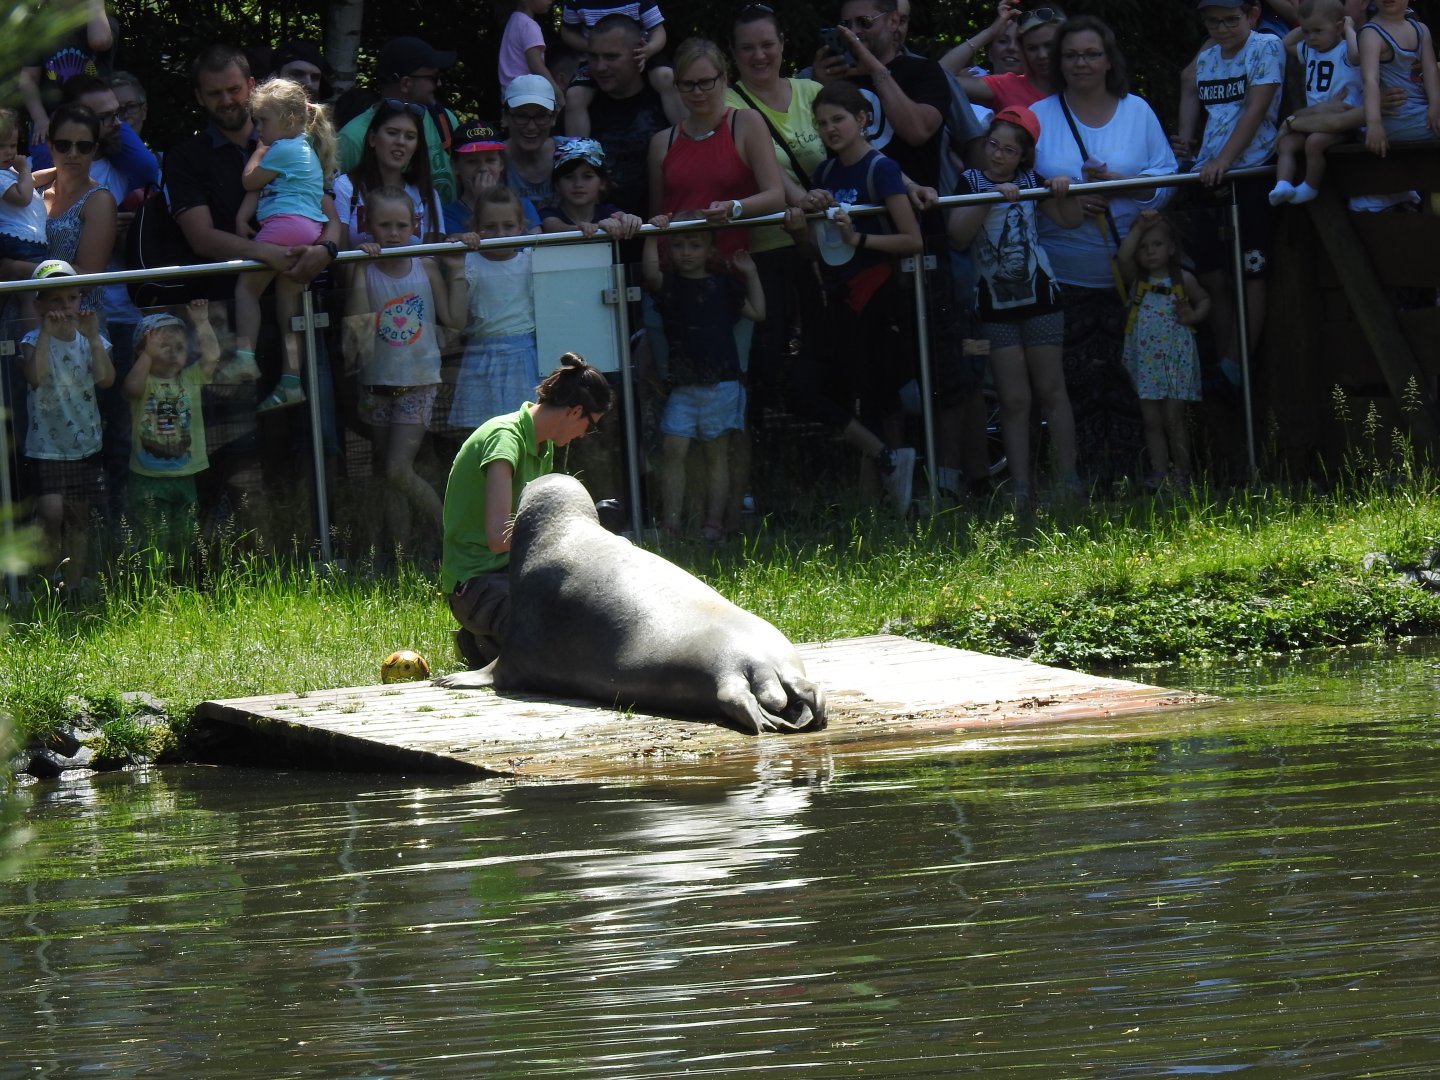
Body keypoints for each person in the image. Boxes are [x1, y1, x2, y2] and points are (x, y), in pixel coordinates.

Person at [1031, 15, 1177, 486]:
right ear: (1059, 62)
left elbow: (1166, 181)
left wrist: (1120, 186)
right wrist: (1068, 197)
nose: (1082, 63)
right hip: (1061, 272)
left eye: (1091, 53)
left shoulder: (1138, 111)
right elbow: (1020, 183)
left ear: (1109, 59)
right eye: (1071, 55)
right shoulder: (1040, 115)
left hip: (1132, 271)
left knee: (1134, 380)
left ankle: (1142, 475)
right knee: (1072, 384)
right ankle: (1083, 481)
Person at [781, 80, 924, 513]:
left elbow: (911, 239)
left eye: (838, 119)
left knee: (880, 399)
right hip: (836, 300)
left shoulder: (880, 168)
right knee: (805, 390)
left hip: (877, 298)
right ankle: (884, 462)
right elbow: (819, 253)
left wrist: (859, 239)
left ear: (863, 120)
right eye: (822, 122)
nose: (830, 129)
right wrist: (800, 230)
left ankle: (885, 506)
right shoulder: (824, 174)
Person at [441, 352, 615, 668]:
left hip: (514, 575)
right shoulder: (504, 438)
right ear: (575, 411)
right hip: (476, 584)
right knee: (556, 638)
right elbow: (498, 537)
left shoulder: (542, 444)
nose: (583, 435)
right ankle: (482, 641)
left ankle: (487, 642)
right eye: (589, 426)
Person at [947, 106, 1083, 505]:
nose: (997, 155)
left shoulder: (1031, 181)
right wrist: (988, 199)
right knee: (1014, 398)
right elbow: (957, 236)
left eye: (1008, 150)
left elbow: (1071, 219)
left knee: (1051, 389)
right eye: (993, 145)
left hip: (1041, 299)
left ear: (1023, 155)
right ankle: (1022, 487)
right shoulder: (969, 181)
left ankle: (1068, 479)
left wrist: (1063, 187)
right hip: (993, 306)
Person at [343, 185, 468, 548]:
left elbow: (454, 320)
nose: (395, 234)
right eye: (385, 226)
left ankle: (452, 538)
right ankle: (400, 556)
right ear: (368, 224)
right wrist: (358, 270)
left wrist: (457, 271)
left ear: (416, 223)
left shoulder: (426, 264)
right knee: (389, 473)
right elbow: (359, 330)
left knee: (398, 468)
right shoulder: (364, 268)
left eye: (402, 225)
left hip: (418, 380)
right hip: (375, 381)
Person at [1172, 0, 1283, 397]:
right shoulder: (1209, 54)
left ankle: (1240, 359)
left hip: (1249, 169)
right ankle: (1224, 361)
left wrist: (1225, 159)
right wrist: (1186, 142)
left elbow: (1257, 107)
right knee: (1212, 273)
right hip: (1207, 170)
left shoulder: (1265, 46)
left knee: (1252, 268)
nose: (1221, 29)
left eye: (1230, 20)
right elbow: (1188, 82)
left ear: (1251, 15)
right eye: (1212, 21)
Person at [642, 222, 764, 540]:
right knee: (673, 448)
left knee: (716, 454)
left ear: (710, 250)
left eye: (695, 245)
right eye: (679, 245)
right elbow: (651, 273)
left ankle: (713, 522)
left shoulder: (724, 285)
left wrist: (749, 273)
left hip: (722, 383)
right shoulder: (669, 284)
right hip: (682, 385)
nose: (686, 252)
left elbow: (759, 313)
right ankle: (672, 524)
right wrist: (651, 234)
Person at [232, 77, 337, 412]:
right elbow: (260, 191)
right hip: (307, 230)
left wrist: (258, 151)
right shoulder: (305, 149)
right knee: (288, 310)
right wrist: (242, 218)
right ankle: (291, 381)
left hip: (283, 227)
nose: (256, 127)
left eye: (262, 120)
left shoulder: (280, 148)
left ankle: (244, 357)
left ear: (289, 121)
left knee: (246, 290)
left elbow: (249, 180)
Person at [20, 259, 114, 590]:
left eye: (72, 298)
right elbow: (35, 377)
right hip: (46, 445)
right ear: (39, 305)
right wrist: (46, 334)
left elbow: (106, 380)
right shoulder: (32, 339)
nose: (66, 307)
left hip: (84, 445)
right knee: (51, 513)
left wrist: (92, 339)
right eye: (56, 301)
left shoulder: (93, 338)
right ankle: (47, 580)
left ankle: (73, 584)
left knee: (78, 519)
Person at [1116, 210, 1211, 488]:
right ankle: (1159, 472)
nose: (1150, 252)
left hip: (1175, 357)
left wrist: (1193, 315)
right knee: (1151, 419)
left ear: (1171, 248)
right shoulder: (1137, 278)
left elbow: (1205, 300)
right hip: (1146, 360)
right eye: (1144, 247)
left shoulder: (1183, 280)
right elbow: (1122, 258)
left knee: (1173, 417)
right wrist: (1140, 227)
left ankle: (1182, 472)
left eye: (1156, 245)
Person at [122, 304, 222, 559]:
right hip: (147, 477)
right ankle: (153, 588)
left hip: (185, 475)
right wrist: (147, 354)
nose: (172, 354)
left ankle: (181, 584)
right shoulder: (142, 382)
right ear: (141, 352)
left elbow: (211, 357)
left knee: (185, 536)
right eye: (162, 347)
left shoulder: (190, 378)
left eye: (179, 347)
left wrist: (201, 322)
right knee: (153, 538)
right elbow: (131, 389)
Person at [449, 187, 540, 429]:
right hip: (480, 356)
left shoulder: (531, 260)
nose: (500, 234)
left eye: (508, 225)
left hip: (523, 357)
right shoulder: (468, 262)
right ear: (475, 227)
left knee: (525, 430)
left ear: (521, 226)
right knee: (483, 432)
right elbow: (456, 319)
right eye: (490, 227)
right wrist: (457, 249)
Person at [569, 14, 671, 218]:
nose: (599, 67)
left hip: (663, 229)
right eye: (593, 57)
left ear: (640, 51)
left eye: (611, 57)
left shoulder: (665, 97)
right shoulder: (581, 106)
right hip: (600, 233)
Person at [336, 37, 459, 203]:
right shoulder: (352, 138)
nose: (439, 83)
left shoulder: (444, 120)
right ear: (406, 84)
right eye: (433, 77)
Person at [1270, 0, 1362, 205]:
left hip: (1343, 119)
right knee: (1286, 143)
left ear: (1337, 28)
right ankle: (1282, 184)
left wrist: (1349, 28)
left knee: (1314, 143)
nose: (1311, 37)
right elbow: (1286, 42)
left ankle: (1310, 186)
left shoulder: (1346, 50)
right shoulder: (1309, 50)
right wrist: (1306, 25)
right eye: (1306, 32)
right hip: (1313, 117)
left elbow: (1357, 58)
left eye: (1318, 31)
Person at [561, 0, 684, 136]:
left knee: (666, 77)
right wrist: (593, 47)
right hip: (596, 54)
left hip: (643, 51)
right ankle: (578, 152)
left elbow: (658, 30)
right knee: (574, 95)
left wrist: (650, 49)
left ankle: (686, 136)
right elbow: (568, 32)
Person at [38, 102, 117, 315]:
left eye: (83, 146)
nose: (73, 153)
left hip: (77, 326)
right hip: (22, 318)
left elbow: (88, 278)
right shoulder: (32, 190)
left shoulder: (100, 201)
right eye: (64, 145)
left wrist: (17, 269)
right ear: (50, 145)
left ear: (95, 150)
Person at [334, 98, 444, 248]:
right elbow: (340, 261)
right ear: (372, 138)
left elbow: (432, 259)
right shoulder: (346, 187)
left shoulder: (426, 194)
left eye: (410, 137)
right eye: (392, 133)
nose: (401, 142)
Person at [18, 0, 116, 147]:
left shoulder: (103, 24)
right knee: (45, 155)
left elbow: (100, 41)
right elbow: (28, 78)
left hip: (101, 118)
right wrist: (40, 119)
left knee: (143, 162)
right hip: (54, 118)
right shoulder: (40, 28)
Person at [945, 3, 1065, 110]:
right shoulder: (1007, 86)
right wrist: (990, 32)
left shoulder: (1079, 83)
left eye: (1049, 45)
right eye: (1032, 48)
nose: (1042, 55)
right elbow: (938, 77)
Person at [1359, 0, 1440, 159]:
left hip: (1424, 114)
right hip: (1399, 118)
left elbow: (1430, 70)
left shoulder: (1420, 29)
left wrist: (1436, 106)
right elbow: (1370, 80)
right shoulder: (1371, 33)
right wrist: (1374, 123)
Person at [440, 120, 541, 235]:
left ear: (501, 164)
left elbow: (537, 249)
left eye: (490, 160)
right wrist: (482, 201)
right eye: (472, 161)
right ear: (455, 166)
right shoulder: (448, 215)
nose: (483, 168)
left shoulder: (523, 205)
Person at [539, 138, 642, 236]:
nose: (578, 184)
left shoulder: (608, 212)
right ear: (557, 185)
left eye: (587, 177)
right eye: (569, 177)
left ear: (602, 183)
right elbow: (554, 227)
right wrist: (593, 228)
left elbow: (620, 216)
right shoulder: (548, 214)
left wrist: (629, 220)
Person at [501, 74, 567, 211]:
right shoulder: (492, 160)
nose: (531, 127)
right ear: (505, 117)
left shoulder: (572, 151)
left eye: (541, 116)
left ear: (554, 117)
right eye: (521, 116)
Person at [0, 108, 49, 267]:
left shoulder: (8, 172)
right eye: (1, 147)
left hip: (25, 238)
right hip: (19, 238)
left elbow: (31, 180)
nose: (9, 152)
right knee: (32, 287)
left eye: (13, 145)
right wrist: (24, 169)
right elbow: (23, 197)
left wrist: (58, 171)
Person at [499, 0, 567, 104]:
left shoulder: (514, 20)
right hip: (527, 95)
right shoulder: (528, 26)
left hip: (510, 94)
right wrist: (557, 93)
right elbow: (536, 66)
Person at [270, 40, 334, 103]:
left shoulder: (323, 113)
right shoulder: (261, 112)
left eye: (315, 78)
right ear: (274, 76)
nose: (308, 83)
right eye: (297, 74)